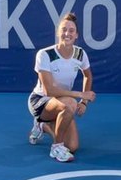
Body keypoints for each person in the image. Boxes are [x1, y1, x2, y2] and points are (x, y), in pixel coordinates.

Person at [27, 13, 96, 163]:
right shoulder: (45, 54)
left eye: (71, 30)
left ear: (76, 35)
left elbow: (88, 76)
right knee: (71, 102)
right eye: (64, 30)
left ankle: (43, 126)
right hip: (41, 102)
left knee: (73, 146)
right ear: (58, 33)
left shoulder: (80, 54)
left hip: (62, 102)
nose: (67, 33)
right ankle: (56, 147)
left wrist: (83, 103)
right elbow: (49, 91)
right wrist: (80, 95)